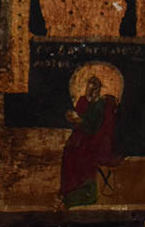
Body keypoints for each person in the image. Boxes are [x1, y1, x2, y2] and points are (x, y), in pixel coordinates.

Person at [61, 75, 122, 207]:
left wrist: (79, 120)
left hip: (94, 138)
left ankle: (86, 192)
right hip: (82, 135)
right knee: (69, 150)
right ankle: (69, 190)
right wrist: (73, 118)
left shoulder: (100, 105)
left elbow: (94, 127)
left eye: (94, 90)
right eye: (88, 89)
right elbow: (81, 119)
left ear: (98, 90)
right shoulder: (83, 101)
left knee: (81, 155)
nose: (90, 92)